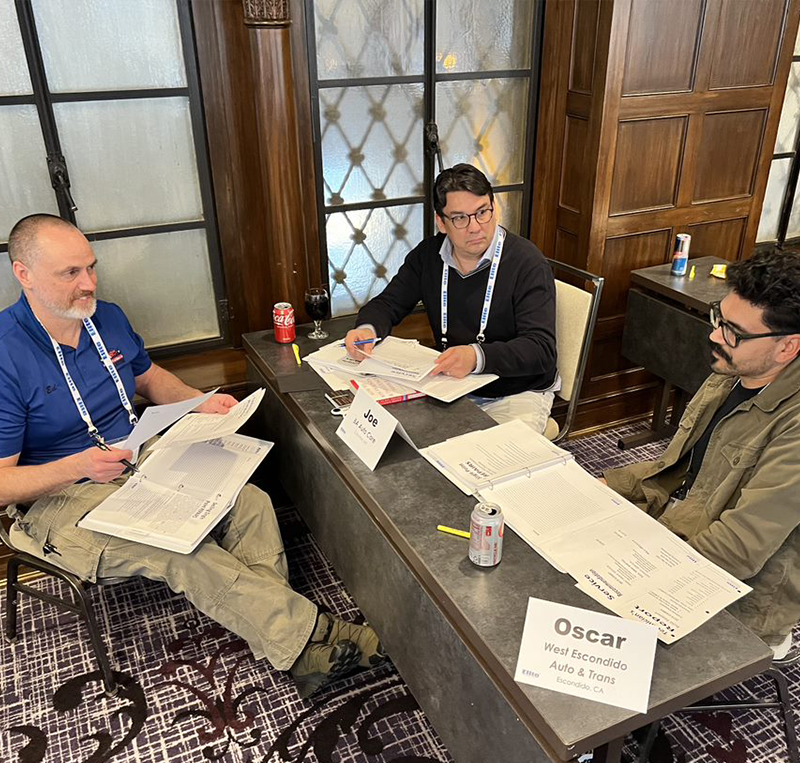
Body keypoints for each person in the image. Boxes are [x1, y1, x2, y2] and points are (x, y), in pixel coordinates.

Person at [0, 214, 384, 698]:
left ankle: (291, 643)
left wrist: (196, 400)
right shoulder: (5, 354)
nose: (89, 284)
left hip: (133, 455)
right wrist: (76, 466)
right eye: (70, 274)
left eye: (92, 268)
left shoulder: (107, 317)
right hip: (59, 497)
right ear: (24, 274)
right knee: (178, 548)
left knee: (249, 502)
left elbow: (146, 377)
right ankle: (311, 637)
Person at [602, 249, 800, 657]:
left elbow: (741, 548)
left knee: (595, 646)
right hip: (682, 532)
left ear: (787, 348)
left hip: (741, 595)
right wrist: (602, 489)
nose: (714, 335)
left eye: (733, 331)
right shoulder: (734, 371)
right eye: (718, 318)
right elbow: (681, 469)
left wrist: (645, 579)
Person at [344, 164, 558, 433]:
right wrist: (367, 329)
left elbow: (541, 350)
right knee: (401, 445)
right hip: (450, 386)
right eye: (460, 218)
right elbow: (389, 303)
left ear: (494, 208)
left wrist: (476, 356)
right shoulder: (429, 256)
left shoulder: (527, 263)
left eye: (482, 212)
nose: (475, 227)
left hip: (515, 391)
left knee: (490, 464)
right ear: (441, 222)